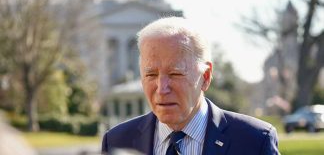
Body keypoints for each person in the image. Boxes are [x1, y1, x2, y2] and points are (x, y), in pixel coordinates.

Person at [102, 17, 279, 155]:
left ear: (206, 76)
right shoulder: (117, 141)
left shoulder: (254, 141)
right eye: (151, 75)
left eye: (175, 74)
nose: (162, 88)